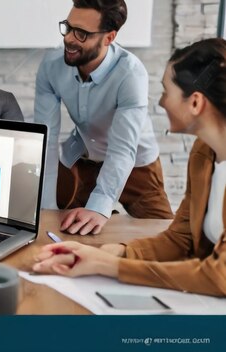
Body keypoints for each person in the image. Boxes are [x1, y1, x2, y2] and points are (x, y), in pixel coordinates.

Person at [33, 38, 226, 296]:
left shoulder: (129, 72)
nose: (160, 103)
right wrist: (118, 251)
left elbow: (219, 277)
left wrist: (110, 266)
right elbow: (181, 238)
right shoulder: (202, 154)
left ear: (195, 103)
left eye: (167, 92)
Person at [35, 0, 173, 236]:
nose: (68, 39)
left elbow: (122, 150)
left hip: (136, 164)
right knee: (60, 227)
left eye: (81, 33)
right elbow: (46, 139)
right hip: (85, 159)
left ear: (109, 38)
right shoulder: (52, 65)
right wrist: (46, 208)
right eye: (68, 27)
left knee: (166, 236)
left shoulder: (131, 74)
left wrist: (101, 206)